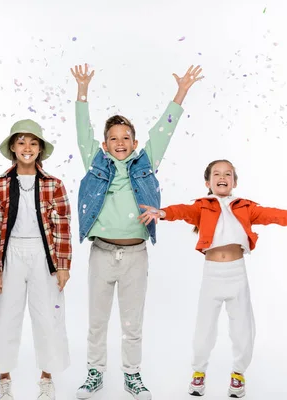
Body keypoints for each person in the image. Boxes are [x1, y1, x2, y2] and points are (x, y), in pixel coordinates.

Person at [138, 159, 287, 398]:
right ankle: (198, 373)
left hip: (236, 274)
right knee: (204, 330)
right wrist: (164, 212)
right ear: (207, 182)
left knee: (243, 328)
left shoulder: (245, 207)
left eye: (228, 174)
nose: (222, 177)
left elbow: (276, 215)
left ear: (234, 181)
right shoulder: (201, 206)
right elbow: (182, 211)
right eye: (217, 174)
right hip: (212, 276)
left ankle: (238, 375)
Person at [69, 63, 203, 400]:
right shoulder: (95, 163)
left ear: (135, 142)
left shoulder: (145, 162)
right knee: (97, 321)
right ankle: (95, 372)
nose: (119, 142)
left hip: (134, 255)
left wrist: (181, 92)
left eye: (125, 137)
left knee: (132, 324)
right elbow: (83, 131)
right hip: (101, 252)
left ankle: (132, 375)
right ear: (104, 144)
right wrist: (82, 92)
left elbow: (164, 131)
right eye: (113, 138)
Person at [0, 119, 73, 400]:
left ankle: (47, 377)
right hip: (11, 254)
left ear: (41, 149)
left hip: (43, 254)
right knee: (6, 315)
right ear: (12, 147)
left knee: (48, 314)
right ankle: (4, 377)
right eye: (21, 141)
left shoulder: (54, 185)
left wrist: (63, 265)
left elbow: (64, 227)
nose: (27, 147)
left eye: (34, 142)